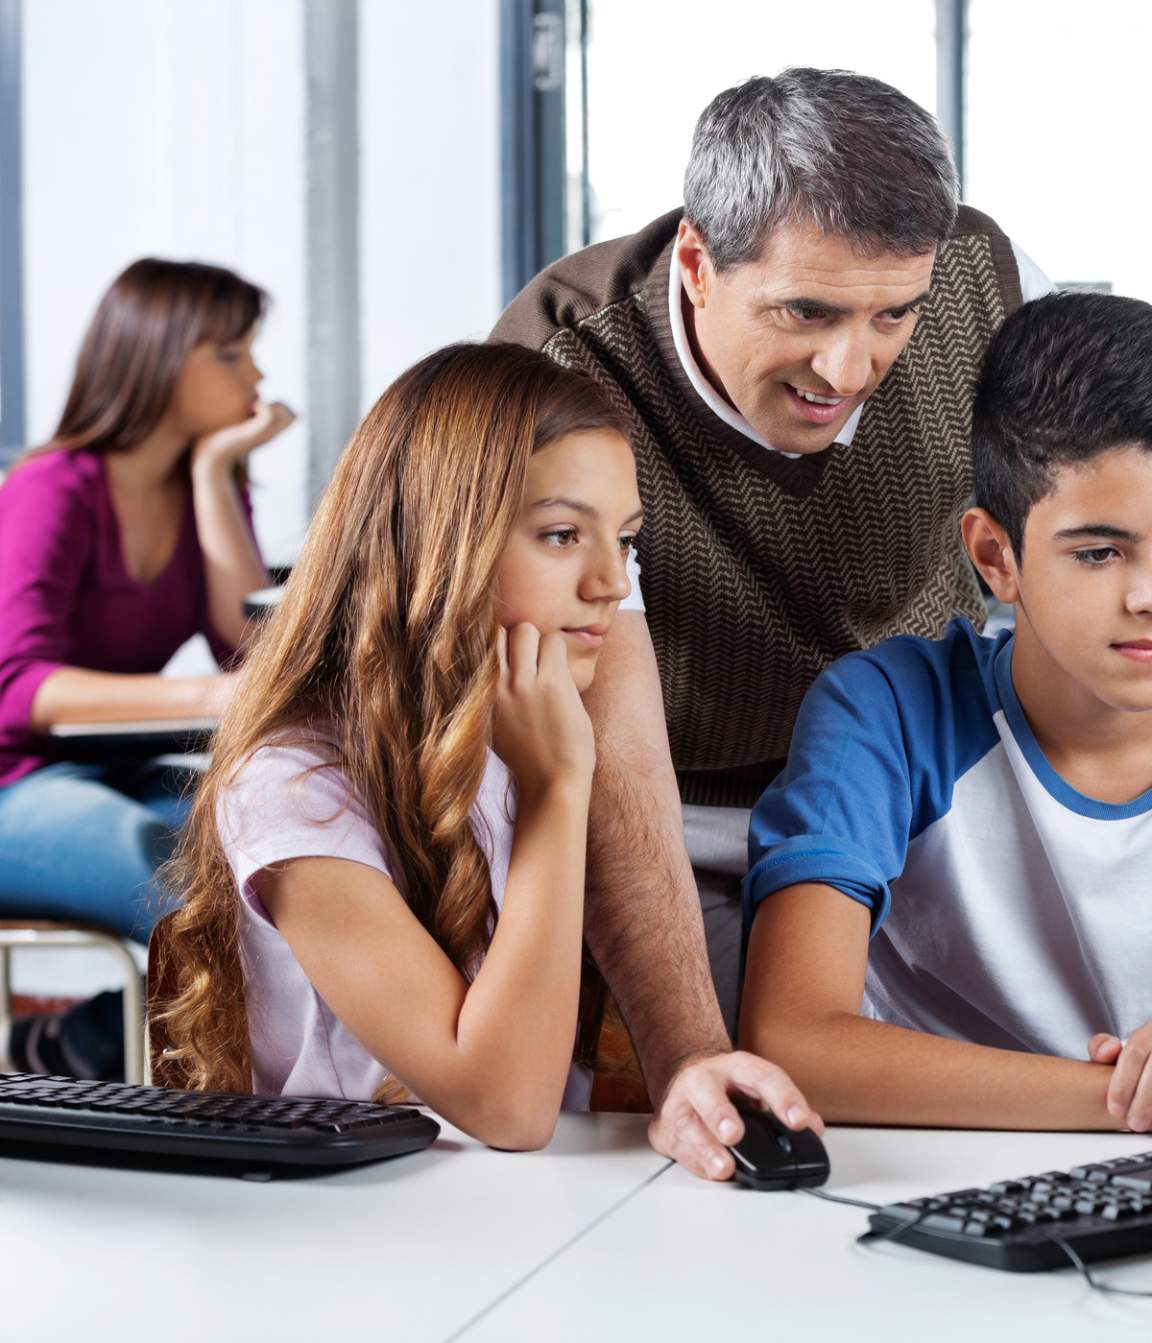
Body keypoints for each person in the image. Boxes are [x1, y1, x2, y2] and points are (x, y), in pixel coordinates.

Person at [495, 69, 1152, 1175]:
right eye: (806, 312)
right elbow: (612, 758)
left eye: (894, 315)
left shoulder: (986, 274)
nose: (852, 368)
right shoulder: (558, 370)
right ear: (697, 265)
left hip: (933, 796)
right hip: (690, 825)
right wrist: (704, 1064)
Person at [151, 343, 819, 1152]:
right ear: (441, 545)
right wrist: (558, 788)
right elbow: (509, 1107)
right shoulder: (294, 788)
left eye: (627, 542)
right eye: (565, 534)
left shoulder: (513, 744)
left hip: (509, 1217)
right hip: (343, 1236)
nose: (611, 582)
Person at [735, 293, 1152, 1132]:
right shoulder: (884, 715)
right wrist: (1132, 1100)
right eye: (1100, 552)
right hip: (913, 1199)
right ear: (997, 557)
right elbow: (790, 1038)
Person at [0, 258, 289, 1079]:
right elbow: (17, 689)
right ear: (160, 358)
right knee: (172, 869)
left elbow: (249, 648)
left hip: (109, 768)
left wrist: (211, 475)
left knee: (286, 834)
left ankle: (79, 1041)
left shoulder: (205, 484)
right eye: (232, 353)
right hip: (13, 783)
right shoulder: (53, 486)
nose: (258, 374)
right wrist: (205, 695)